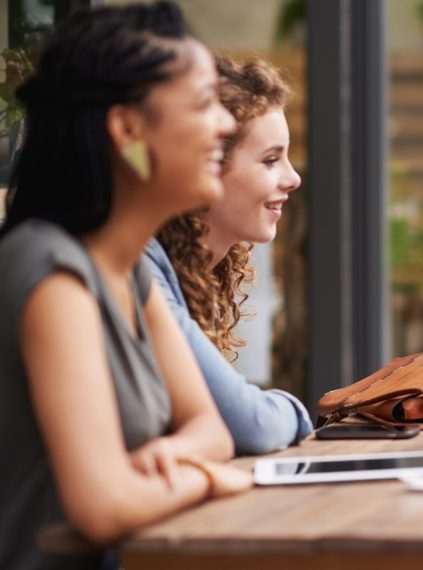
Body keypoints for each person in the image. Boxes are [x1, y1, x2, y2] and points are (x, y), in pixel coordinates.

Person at [0, 3, 252, 568]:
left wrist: (177, 455)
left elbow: (211, 428)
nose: (226, 123)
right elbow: (103, 506)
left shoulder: (128, 267)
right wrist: (207, 480)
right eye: (203, 102)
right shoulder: (51, 271)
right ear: (128, 128)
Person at [145, 56, 309, 455]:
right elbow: (249, 423)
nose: (293, 178)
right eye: (271, 160)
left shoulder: (196, 272)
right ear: (209, 165)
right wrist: (296, 411)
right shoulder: (142, 266)